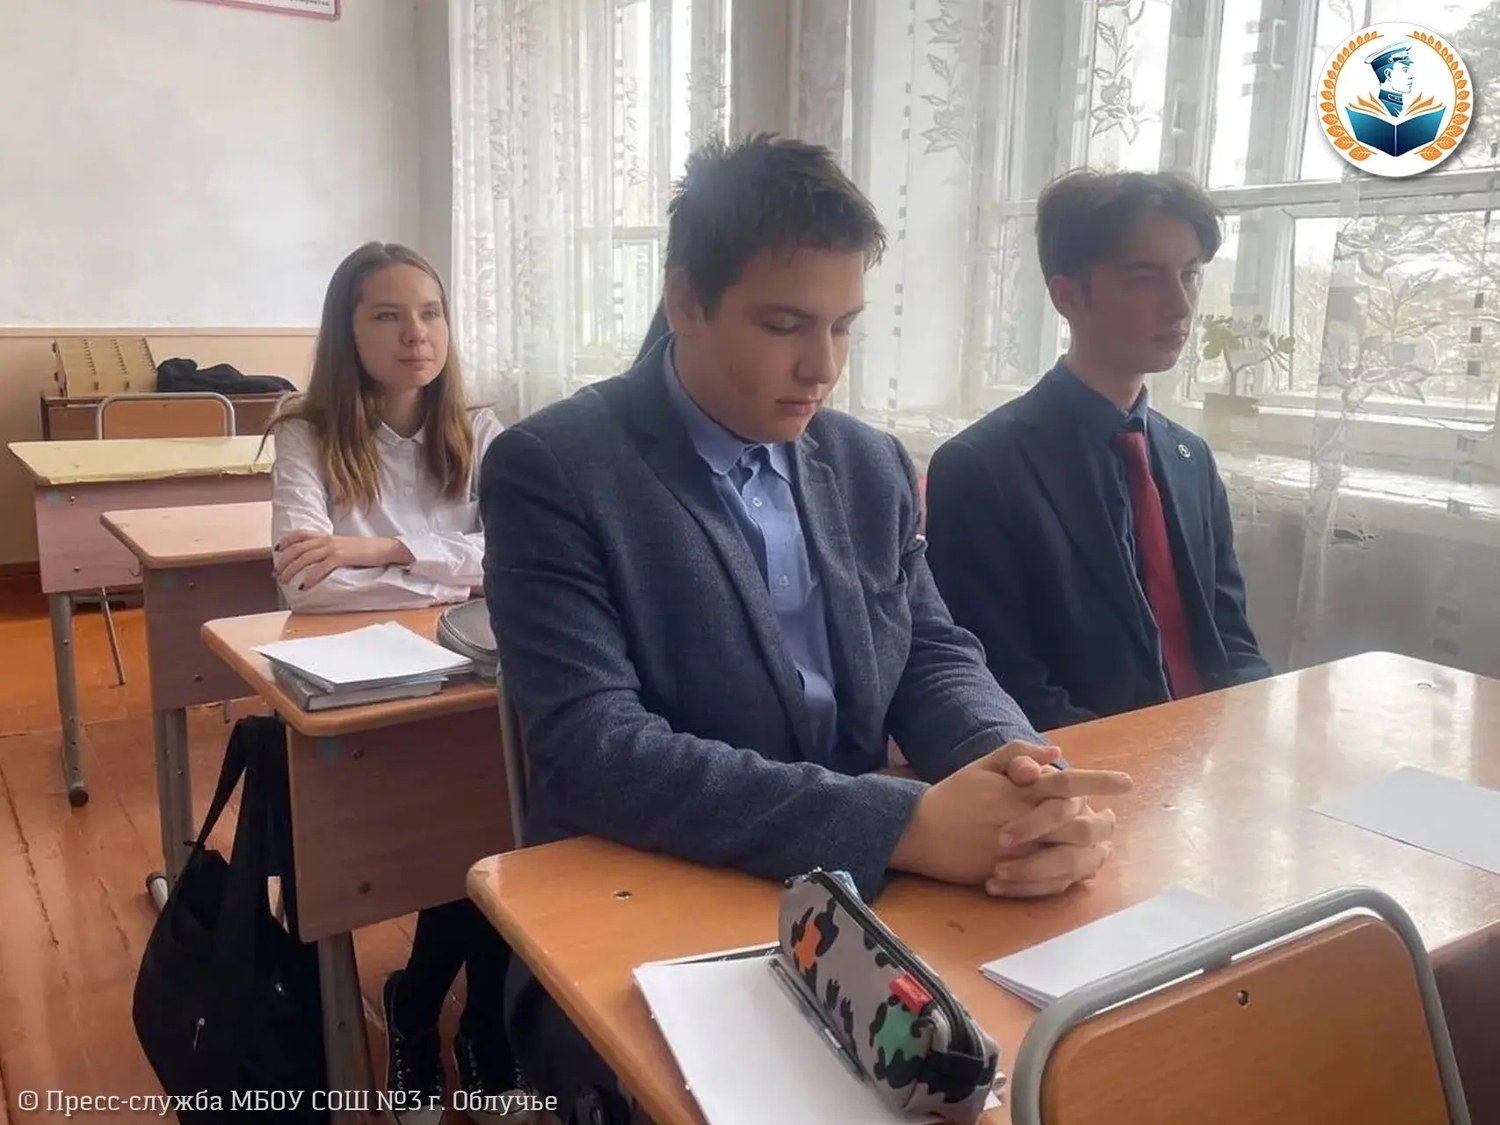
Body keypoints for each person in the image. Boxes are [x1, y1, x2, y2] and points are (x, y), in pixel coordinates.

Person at [479, 135, 1133, 1125]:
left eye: (843, 327)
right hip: (652, 900)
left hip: (865, 905)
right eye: (785, 325)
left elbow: (931, 651)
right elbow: (594, 751)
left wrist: (1017, 775)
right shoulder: (557, 469)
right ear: (685, 300)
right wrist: (902, 823)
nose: (821, 366)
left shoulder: (867, 462)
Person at [267, 241, 523, 1125]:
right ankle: (417, 1005)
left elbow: (520, 554)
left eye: (431, 312)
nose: (417, 333)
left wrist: (380, 548)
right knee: (450, 833)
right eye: (387, 315)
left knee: (503, 825)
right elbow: (306, 585)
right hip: (366, 688)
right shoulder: (305, 433)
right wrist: (457, 573)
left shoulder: (482, 431)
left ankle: (473, 1019)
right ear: (348, 332)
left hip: (481, 675)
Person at [924, 170, 1273, 734]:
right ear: (1067, 295)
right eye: (1145, 278)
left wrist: (1260, 732)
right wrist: (1143, 765)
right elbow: (1004, 682)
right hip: (1089, 764)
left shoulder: (1190, 458)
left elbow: (1230, 640)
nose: (1180, 305)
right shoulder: (982, 468)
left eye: (1190, 274)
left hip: (1214, 753)